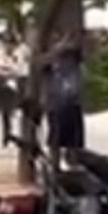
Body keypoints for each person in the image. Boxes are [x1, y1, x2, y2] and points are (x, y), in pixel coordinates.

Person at [42, 32, 87, 169]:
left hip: (73, 105)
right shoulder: (52, 68)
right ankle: (55, 169)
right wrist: (61, 44)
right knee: (55, 141)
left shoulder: (77, 68)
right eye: (64, 56)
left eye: (70, 57)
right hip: (57, 106)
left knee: (74, 142)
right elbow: (40, 62)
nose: (67, 59)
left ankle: (73, 169)